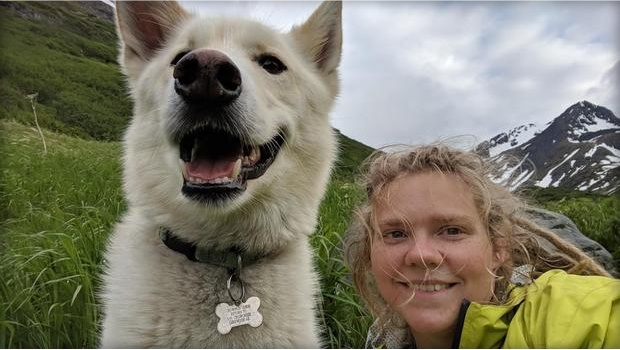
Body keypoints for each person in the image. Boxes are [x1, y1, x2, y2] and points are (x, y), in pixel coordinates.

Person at [344, 144, 620, 348]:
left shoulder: (562, 313)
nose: (421, 254)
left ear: (498, 248)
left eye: (452, 230)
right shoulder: (380, 341)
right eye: (395, 234)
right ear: (370, 253)